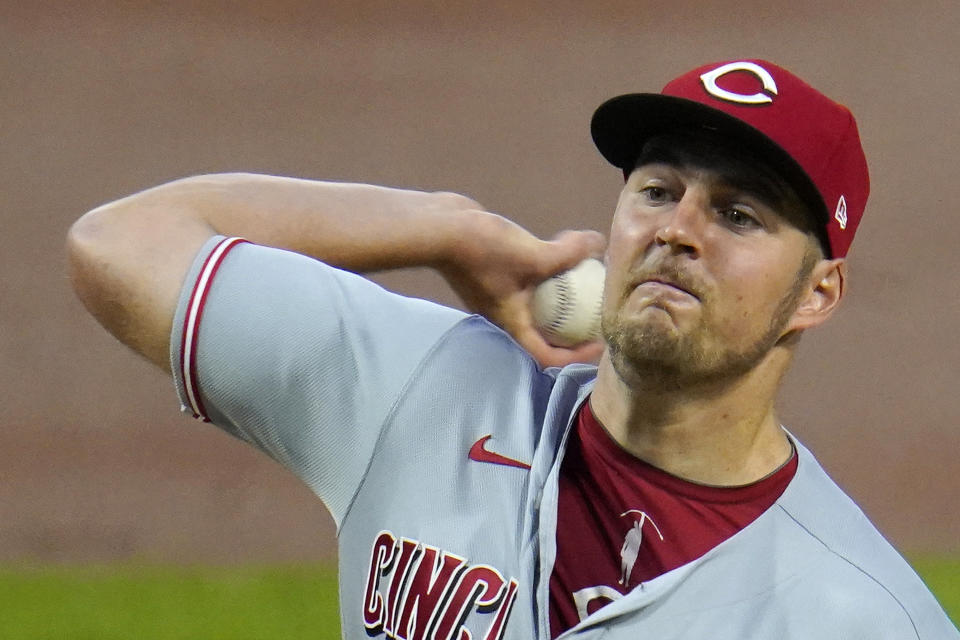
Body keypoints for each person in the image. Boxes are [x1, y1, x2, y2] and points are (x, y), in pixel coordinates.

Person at [67, 59, 958, 639]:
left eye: (737, 214)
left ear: (817, 293)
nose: (678, 230)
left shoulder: (859, 617)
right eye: (657, 189)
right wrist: (445, 227)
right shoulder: (424, 392)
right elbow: (120, 245)